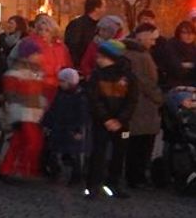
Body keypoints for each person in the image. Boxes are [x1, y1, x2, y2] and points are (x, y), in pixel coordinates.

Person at [84, 39, 137, 199]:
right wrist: (106, 119)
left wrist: (120, 119)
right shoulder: (97, 75)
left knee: (119, 154)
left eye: (101, 57)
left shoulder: (128, 77)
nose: (98, 59)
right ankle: (93, 185)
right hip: (102, 121)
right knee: (98, 152)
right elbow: (94, 99)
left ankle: (114, 183)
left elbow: (132, 100)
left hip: (122, 123)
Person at [0, 38, 48, 182]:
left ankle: (9, 170)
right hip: (22, 114)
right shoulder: (14, 74)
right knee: (32, 142)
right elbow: (11, 97)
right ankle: (19, 169)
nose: (40, 57)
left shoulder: (36, 73)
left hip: (32, 114)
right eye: (36, 54)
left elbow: (39, 94)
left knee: (19, 142)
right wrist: (15, 116)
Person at [123, 24, 163, 189]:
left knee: (135, 143)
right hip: (143, 107)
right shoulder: (139, 55)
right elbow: (145, 82)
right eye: (152, 39)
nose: (154, 43)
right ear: (144, 36)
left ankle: (134, 176)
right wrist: (159, 97)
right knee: (141, 144)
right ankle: (136, 178)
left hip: (139, 106)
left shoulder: (131, 52)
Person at [41, 68, 89, 185]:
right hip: (59, 128)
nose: (60, 83)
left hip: (72, 129)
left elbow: (83, 116)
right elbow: (53, 110)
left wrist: (78, 130)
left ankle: (76, 177)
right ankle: (56, 174)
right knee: (54, 153)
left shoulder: (81, 97)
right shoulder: (61, 94)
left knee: (75, 155)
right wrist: (46, 124)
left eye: (62, 81)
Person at [64, 0, 104, 68]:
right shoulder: (77, 24)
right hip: (79, 67)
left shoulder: (101, 26)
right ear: (96, 9)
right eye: (103, 7)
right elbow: (72, 47)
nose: (105, 10)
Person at [155, 20, 196, 90]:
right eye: (185, 33)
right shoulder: (171, 46)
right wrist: (192, 65)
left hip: (192, 84)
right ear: (178, 34)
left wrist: (188, 65)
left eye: (192, 33)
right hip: (175, 86)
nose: (189, 35)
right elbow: (177, 69)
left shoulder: (193, 48)